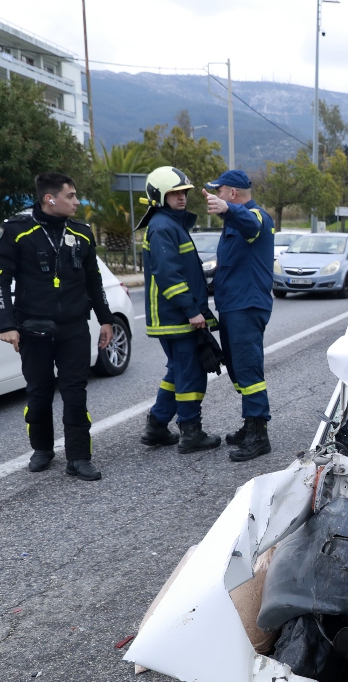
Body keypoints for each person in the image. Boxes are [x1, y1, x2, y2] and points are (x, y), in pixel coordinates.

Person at [0, 172, 113, 480]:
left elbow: (93, 280)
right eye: (70, 196)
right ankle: (42, 448)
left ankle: (79, 457)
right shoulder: (15, 230)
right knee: (40, 393)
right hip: (33, 327)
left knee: (75, 393)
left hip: (74, 327)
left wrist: (105, 318)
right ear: (49, 198)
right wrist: (7, 324)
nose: (76, 201)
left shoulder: (82, 233)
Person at [136, 166, 222, 452]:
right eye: (175, 193)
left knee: (178, 371)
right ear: (160, 196)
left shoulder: (169, 224)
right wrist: (191, 310)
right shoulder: (163, 226)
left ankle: (157, 425)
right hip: (175, 317)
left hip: (177, 315)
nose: (182, 198)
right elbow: (169, 276)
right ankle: (190, 432)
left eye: (183, 192)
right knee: (191, 373)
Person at [202, 170, 275, 462]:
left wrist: (229, 209)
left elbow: (250, 222)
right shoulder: (234, 223)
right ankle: (250, 425)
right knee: (237, 368)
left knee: (249, 369)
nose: (216, 197)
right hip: (232, 305)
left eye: (219, 192)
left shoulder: (255, 217)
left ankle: (260, 435)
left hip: (246, 306)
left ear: (232, 194)